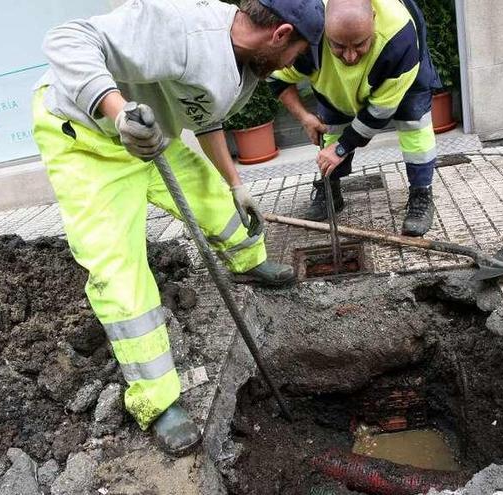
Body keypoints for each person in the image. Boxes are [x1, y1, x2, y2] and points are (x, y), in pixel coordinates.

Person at [31, 0, 324, 456]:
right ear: (281, 34)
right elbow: (66, 39)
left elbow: (205, 118)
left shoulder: (243, 60)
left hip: (150, 137)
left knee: (213, 198)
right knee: (119, 270)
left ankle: (250, 263)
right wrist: (119, 111)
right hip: (86, 140)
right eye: (297, 53)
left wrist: (236, 183)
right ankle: (159, 401)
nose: (293, 65)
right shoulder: (181, 26)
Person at [269, 0, 442, 236]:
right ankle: (331, 190)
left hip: (402, 77)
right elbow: (275, 77)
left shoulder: (400, 38)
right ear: (323, 29)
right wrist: (304, 117)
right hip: (334, 84)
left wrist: (342, 149)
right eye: (338, 46)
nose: (350, 57)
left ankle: (421, 194)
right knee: (332, 128)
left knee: (415, 125)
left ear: (372, 18)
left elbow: (381, 111)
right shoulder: (308, 34)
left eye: (360, 44)